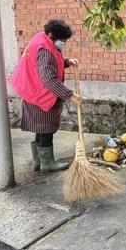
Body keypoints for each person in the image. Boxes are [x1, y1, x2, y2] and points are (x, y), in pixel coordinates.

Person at [10, 19, 82, 173]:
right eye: (61, 40)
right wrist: (70, 95)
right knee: (46, 128)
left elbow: (48, 65)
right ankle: (47, 163)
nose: (63, 43)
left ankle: (38, 161)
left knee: (41, 127)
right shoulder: (45, 50)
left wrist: (66, 62)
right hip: (40, 93)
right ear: (51, 34)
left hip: (32, 89)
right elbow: (49, 78)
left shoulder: (42, 39)